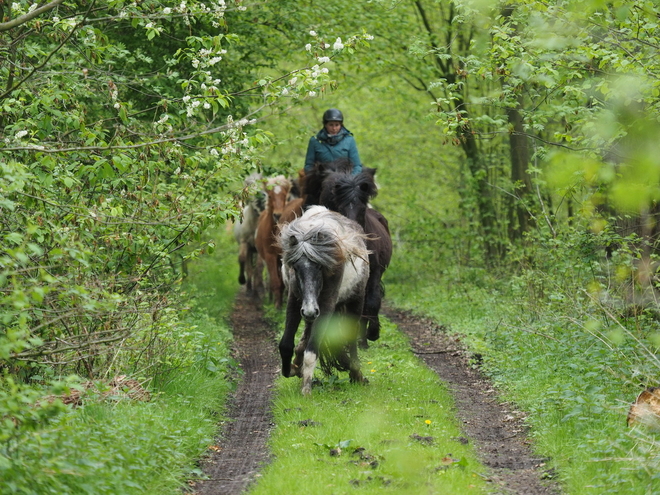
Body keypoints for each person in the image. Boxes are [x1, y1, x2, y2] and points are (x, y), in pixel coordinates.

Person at [304, 108, 362, 175]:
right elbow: (308, 166)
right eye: (331, 125)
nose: (334, 128)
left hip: (344, 179)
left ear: (341, 125)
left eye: (337, 125)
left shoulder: (349, 140)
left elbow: (357, 166)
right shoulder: (315, 141)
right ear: (325, 125)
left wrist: (350, 179)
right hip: (321, 179)